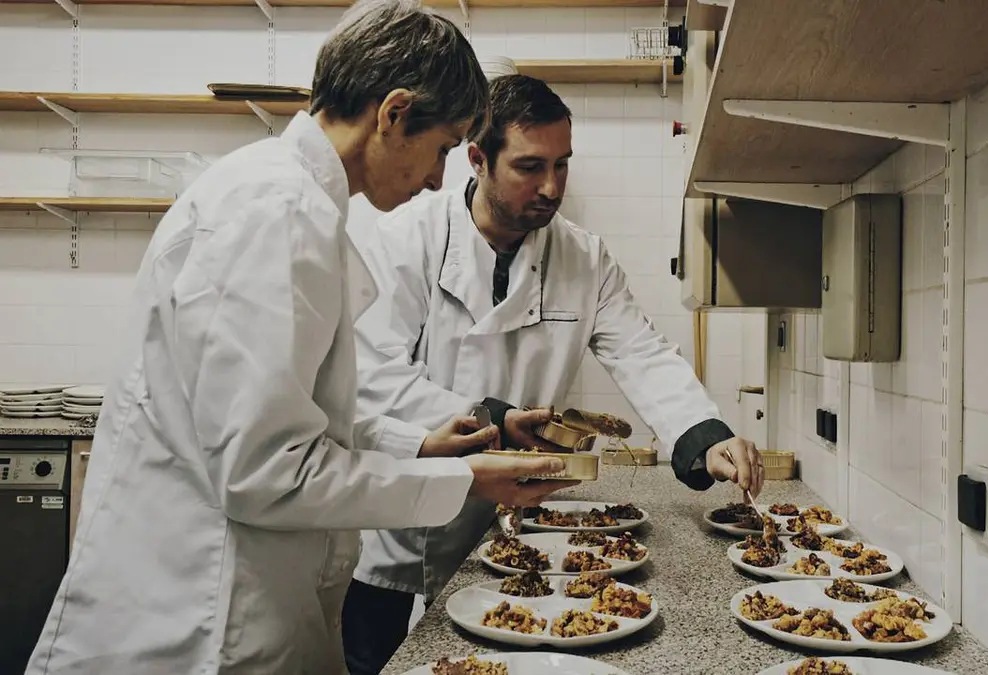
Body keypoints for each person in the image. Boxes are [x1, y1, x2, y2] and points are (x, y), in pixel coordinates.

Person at [24, 6, 576, 675]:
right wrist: (459, 478)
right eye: (441, 149)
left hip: (247, 605)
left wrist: (417, 442)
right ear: (394, 113)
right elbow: (266, 471)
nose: (438, 179)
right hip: (202, 621)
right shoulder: (275, 213)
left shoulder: (294, 200)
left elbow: (288, 416)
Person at [343, 74, 765, 674]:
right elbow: (373, 375)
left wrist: (706, 435)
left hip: (512, 519)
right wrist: (494, 420)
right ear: (477, 160)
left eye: (562, 165)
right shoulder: (406, 237)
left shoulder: (583, 258)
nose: (551, 186)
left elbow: (641, 352)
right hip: (404, 509)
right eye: (530, 166)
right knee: (374, 659)